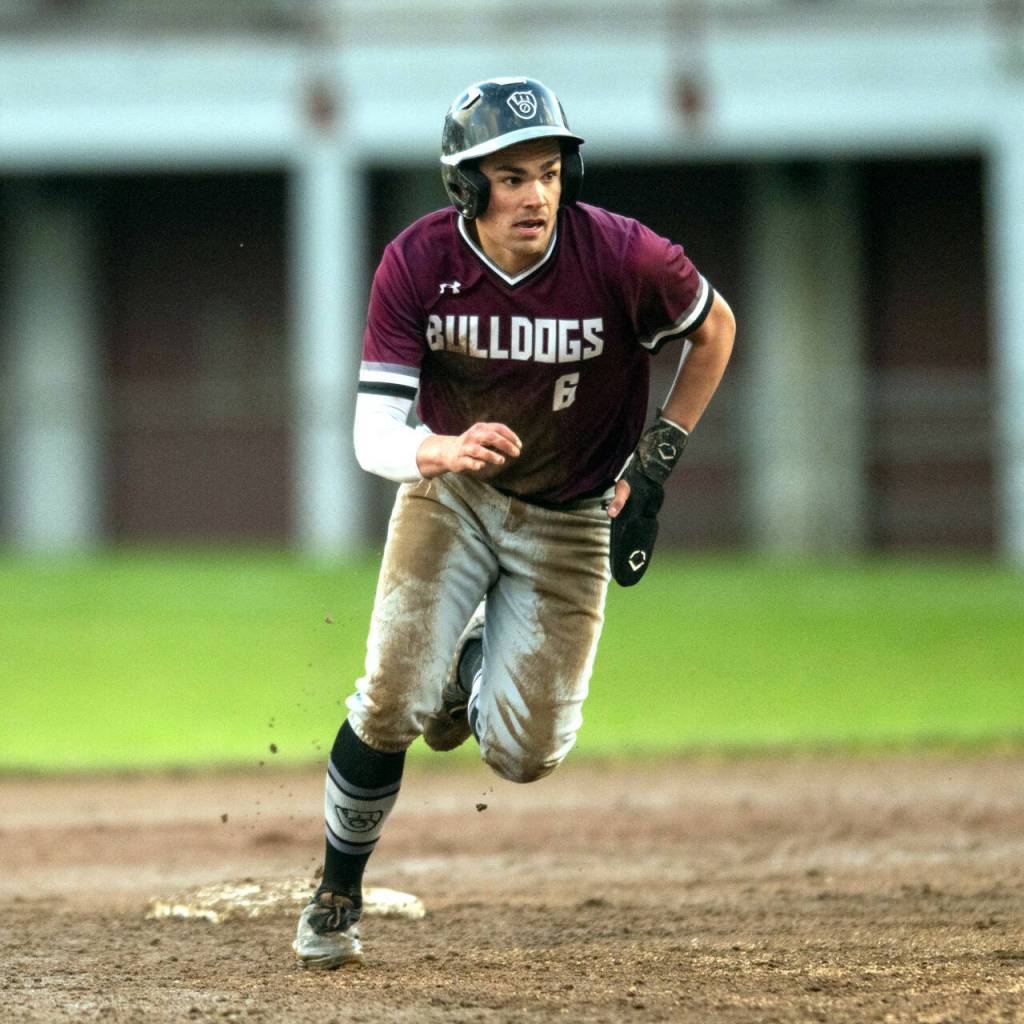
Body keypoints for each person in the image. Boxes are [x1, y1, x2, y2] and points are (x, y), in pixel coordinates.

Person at [292, 76, 735, 968]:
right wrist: (438, 452)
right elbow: (373, 432)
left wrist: (657, 458)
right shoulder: (417, 262)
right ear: (466, 186)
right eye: (509, 176)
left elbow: (714, 327)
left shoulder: (622, 256)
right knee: (390, 697)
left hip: (570, 518)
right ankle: (337, 891)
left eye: (547, 171)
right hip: (453, 496)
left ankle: (468, 667)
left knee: (526, 755)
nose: (534, 194)